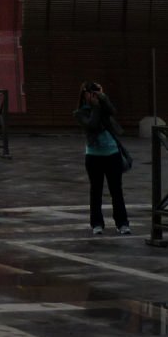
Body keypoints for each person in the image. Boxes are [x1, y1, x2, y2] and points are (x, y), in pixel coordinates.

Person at [72, 80, 129, 236]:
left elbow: (113, 111)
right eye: (91, 92)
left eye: (96, 92)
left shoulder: (104, 108)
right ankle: (97, 223)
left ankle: (122, 223)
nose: (94, 95)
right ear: (84, 95)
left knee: (116, 190)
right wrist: (95, 106)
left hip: (112, 154)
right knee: (96, 190)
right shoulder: (80, 113)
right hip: (94, 156)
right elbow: (92, 125)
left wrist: (103, 98)